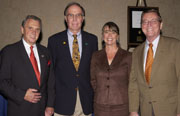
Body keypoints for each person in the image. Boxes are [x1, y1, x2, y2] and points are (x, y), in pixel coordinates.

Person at [48, 2, 98, 116]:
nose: (74, 19)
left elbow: (94, 71)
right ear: (66, 18)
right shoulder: (54, 41)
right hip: (61, 103)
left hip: (85, 102)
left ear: (83, 18)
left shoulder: (92, 40)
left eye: (78, 15)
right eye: (71, 15)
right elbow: (50, 74)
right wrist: (49, 103)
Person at [0, 15, 55, 116]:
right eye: (30, 28)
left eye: (37, 29)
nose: (34, 32)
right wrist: (22, 95)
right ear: (22, 29)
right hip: (19, 110)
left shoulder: (46, 52)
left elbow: (50, 81)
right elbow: (2, 82)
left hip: (42, 111)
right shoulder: (9, 51)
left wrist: (50, 105)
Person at [128, 9, 180, 116]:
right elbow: (134, 84)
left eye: (153, 21)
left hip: (170, 110)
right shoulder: (136, 52)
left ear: (161, 25)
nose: (149, 24)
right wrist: (133, 110)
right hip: (145, 110)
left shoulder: (175, 46)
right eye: (145, 21)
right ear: (141, 26)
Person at [90, 22, 132, 116]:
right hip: (100, 107)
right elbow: (93, 80)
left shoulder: (128, 56)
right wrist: (102, 93)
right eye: (106, 32)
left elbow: (132, 82)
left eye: (113, 32)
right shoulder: (95, 56)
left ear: (117, 36)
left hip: (121, 106)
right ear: (102, 36)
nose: (109, 35)